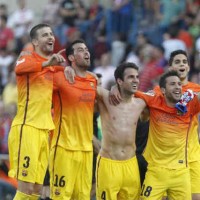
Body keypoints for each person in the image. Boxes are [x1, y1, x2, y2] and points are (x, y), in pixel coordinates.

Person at [8, 23, 65, 200]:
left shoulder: (51, 67)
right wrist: (48, 63)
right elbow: (18, 68)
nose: (50, 37)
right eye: (45, 35)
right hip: (27, 128)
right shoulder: (27, 57)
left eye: (51, 33)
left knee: (36, 189)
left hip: (43, 130)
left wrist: (70, 69)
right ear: (34, 41)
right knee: (25, 188)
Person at [136, 70, 200, 199]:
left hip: (181, 172)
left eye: (179, 84)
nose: (177, 87)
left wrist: (192, 93)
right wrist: (115, 88)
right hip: (156, 172)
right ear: (163, 90)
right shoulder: (153, 100)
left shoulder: (189, 102)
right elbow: (128, 92)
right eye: (172, 84)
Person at [49, 39, 97, 199]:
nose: (87, 52)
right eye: (81, 50)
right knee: (60, 197)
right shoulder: (60, 77)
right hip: (63, 148)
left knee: (83, 197)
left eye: (87, 49)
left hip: (86, 150)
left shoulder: (93, 80)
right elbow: (36, 74)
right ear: (71, 57)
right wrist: (59, 67)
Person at [95, 62, 147, 200]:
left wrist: (116, 87)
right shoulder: (105, 98)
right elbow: (86, 81)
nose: (135, 80)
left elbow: (160, 94)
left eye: (137, 76)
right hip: (108, 163)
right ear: (119, 80)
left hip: (131, 164)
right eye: (130, 77)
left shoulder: (141, 104)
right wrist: (113, 87)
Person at [154, 50, 200, 200]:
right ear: (170, 68)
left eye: (184, 62)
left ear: (188, 67)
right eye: (178, 62)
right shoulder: (159, 91)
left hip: (192, 156)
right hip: (167, 160)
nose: (182, 64)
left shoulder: (197, 90)